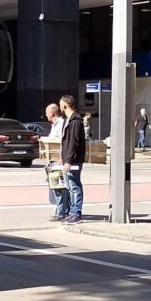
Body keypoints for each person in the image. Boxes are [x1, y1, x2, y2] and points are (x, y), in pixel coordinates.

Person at [59, 94, 86, 225]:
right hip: (67, 160)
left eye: (60, 104)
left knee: (74, 186)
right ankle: (72, 212)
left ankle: (77, 212)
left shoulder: (75, 121)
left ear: (65, 105)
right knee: (70, 186)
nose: (60, 107)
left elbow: (73, 142)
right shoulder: (68, 120)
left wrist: (68, 160)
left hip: (73, 161)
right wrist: (62, 158)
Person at [42, 103, 69, 222]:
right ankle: (64, 210)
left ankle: (60, 212)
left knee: (59, 187)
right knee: (58, 186)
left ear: (52, 113)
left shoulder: (61, 124)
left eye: (47, 112)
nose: (45, 115)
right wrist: (49, 161)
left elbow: (62, 142)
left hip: (59, 160)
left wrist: (60, 158)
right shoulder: (55, 125)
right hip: (54, 160)